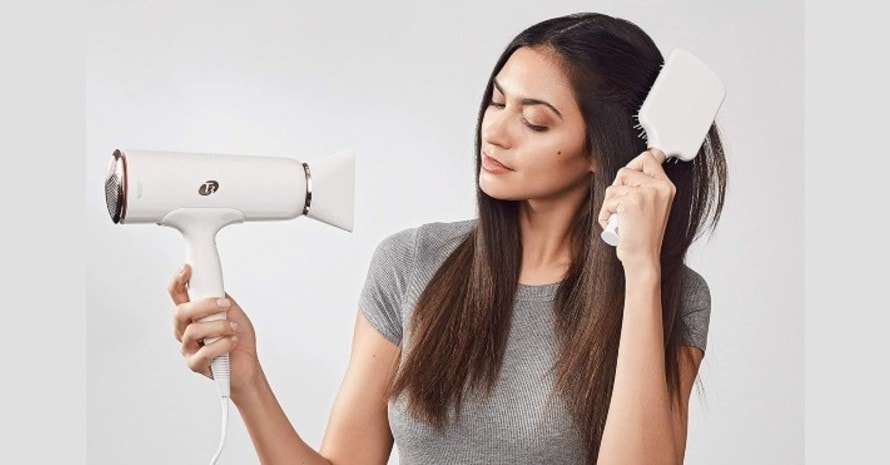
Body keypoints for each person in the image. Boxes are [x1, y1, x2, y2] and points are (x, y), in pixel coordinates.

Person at [167, 12, 726, 465]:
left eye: (535, 122)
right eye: (497, 101)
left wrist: (642, 271)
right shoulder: (412, 263)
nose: (495, 129)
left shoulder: (671, 294)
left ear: (600, 152)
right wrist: (248, 381)